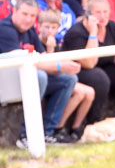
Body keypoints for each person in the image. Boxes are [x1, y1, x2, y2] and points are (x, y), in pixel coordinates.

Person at [0, 0, 78, 146]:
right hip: (5, 82)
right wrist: (60, 66)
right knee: (40, 77)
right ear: (14, 11)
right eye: (24, 14)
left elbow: (42, 57)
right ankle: (26, 135)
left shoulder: (29, 30)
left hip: (23, 79)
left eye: (32, 16)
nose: (28, 19)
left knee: (68, 80)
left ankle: (47, 133)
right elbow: (23, 60)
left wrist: (64, 66)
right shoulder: (5, 28)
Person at [37, 9, 95, 140]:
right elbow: (46, 66)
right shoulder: (38, 42)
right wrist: (50, 50)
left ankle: (75, 129)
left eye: (53, 27)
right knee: (79, 91)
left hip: (56, 77)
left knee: (89, 92)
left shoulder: (57, 43)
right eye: (46, 27)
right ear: (39, 26)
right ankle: (56, 129)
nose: (50, 30)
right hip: (48, 79)